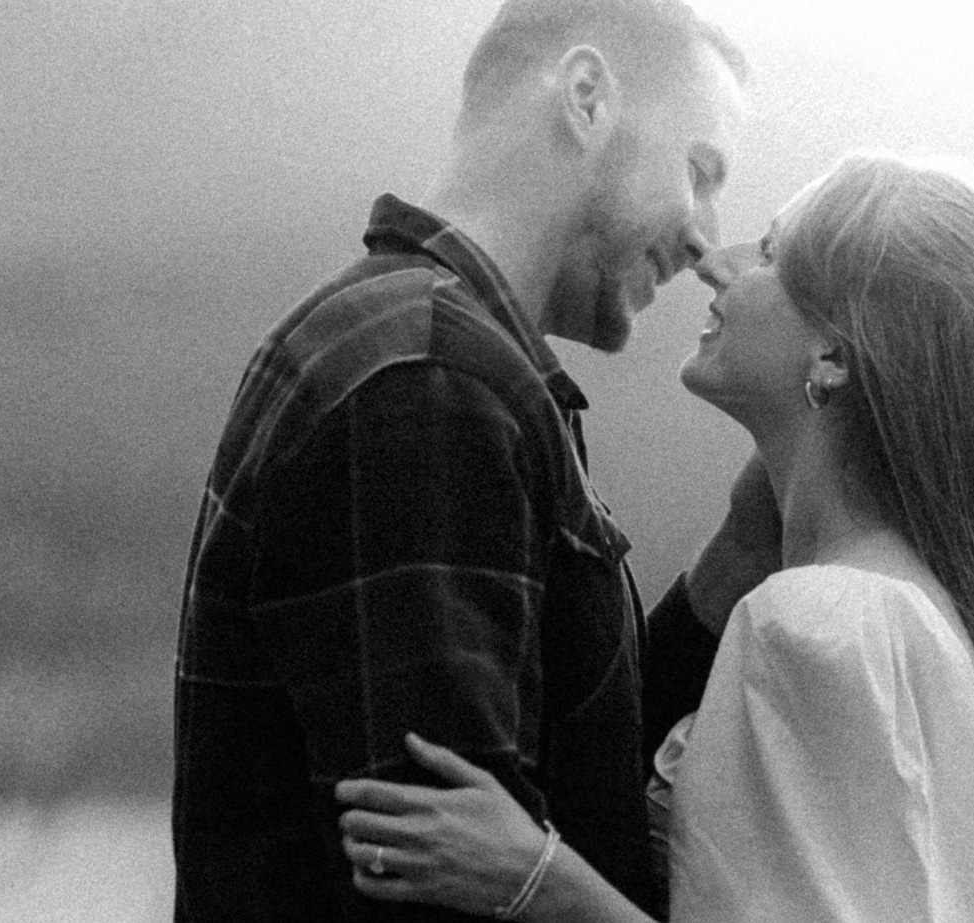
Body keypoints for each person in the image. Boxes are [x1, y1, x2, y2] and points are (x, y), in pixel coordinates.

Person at [331, 150, 974, 922]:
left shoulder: (825, 623)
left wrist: (537, 881)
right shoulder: (899, 607)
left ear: (833, 354)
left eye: (771, 255)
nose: (716, 264)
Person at [170, 1, 753, 919]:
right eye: (699, 170)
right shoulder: (431, 384)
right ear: (587, 97)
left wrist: (749, 543)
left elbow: (571, 779)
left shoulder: (437, 354)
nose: (704, 237)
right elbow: (449, 895)